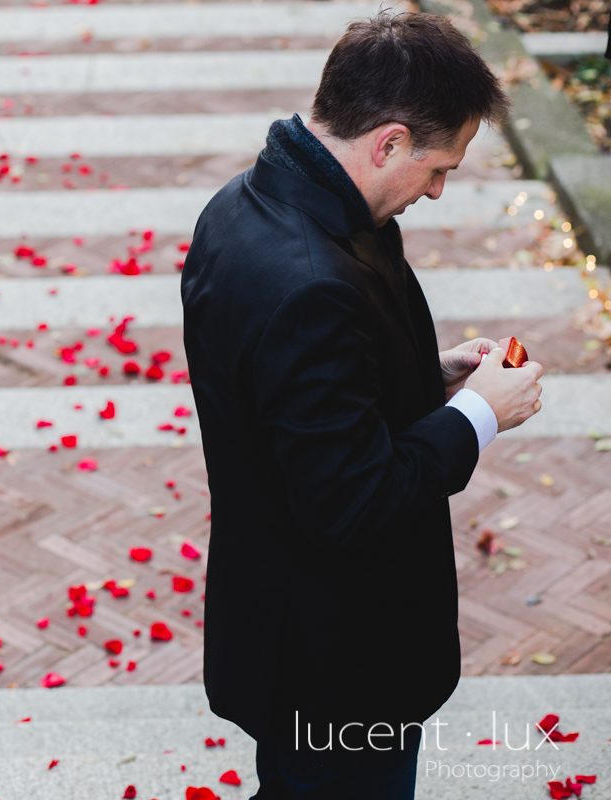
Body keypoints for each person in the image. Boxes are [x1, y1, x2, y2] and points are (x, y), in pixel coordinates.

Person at [181, 11, 544, 799]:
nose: (439, 189)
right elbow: (350, 501)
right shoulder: (312, 278)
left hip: (290, 636)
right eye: (438, 166)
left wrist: (429, 375)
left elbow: (291, 400)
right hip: (337, 660)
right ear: (386, 143)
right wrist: (480, 416)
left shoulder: (245, 208)